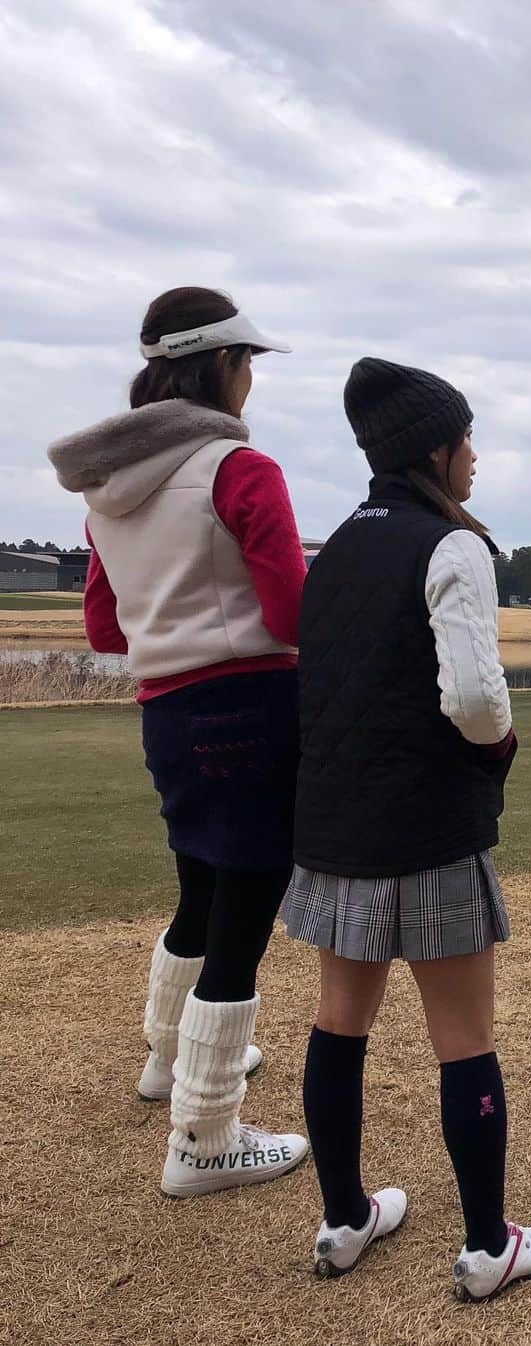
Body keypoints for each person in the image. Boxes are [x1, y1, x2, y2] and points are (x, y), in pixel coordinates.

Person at [281, 357, 531, 1300]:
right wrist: (500, 746)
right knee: (462, 1035)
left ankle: (343, 1217)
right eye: (467, 439)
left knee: (339, 1023)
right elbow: (478, 697)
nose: (475, 458)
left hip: (335, 829)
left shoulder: (334, 557)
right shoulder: (451, 548)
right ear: (433, 452)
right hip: (431, 828)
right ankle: (489, 1245)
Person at [47, 287, 310, 1197]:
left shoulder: (109, 495)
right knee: (244, 914)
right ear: (220, 368)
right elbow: (289, 611)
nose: (251, 384)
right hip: (252, 704)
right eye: (248, 364)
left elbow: (106, 631)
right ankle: (204, 1138)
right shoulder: (239, 470)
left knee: (201, 887)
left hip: (167, 709)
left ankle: (167, 1059)